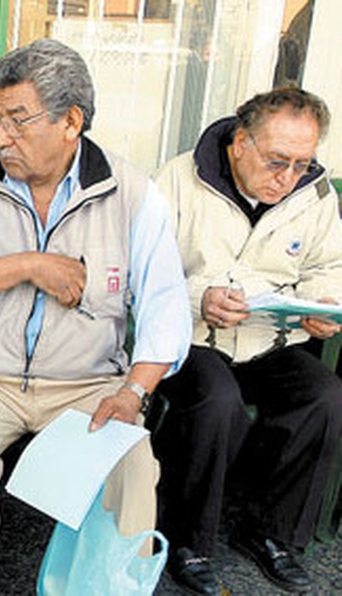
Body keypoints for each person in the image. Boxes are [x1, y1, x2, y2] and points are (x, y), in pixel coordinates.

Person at [0, 39, 191, 594]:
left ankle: (108, 587)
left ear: (71, 122)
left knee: (134, 469)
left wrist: (132, 393)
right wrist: (28, 264)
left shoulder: (133, 193)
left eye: (18, 121)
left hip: (87, 383)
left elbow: (165, 308)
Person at [153, 87, 342, 595]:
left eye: (303, 163)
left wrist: (323, 302)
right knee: (217, 399)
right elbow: (144, 272)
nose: (289, 177)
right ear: (240, 142)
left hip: (270, 335)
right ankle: (187, 539)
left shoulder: (315, 192)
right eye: (278, 160)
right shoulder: (177, 180)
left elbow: (330, 266)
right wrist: (200, 297)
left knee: (324, 397)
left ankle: (272, 534)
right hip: (192, 335)